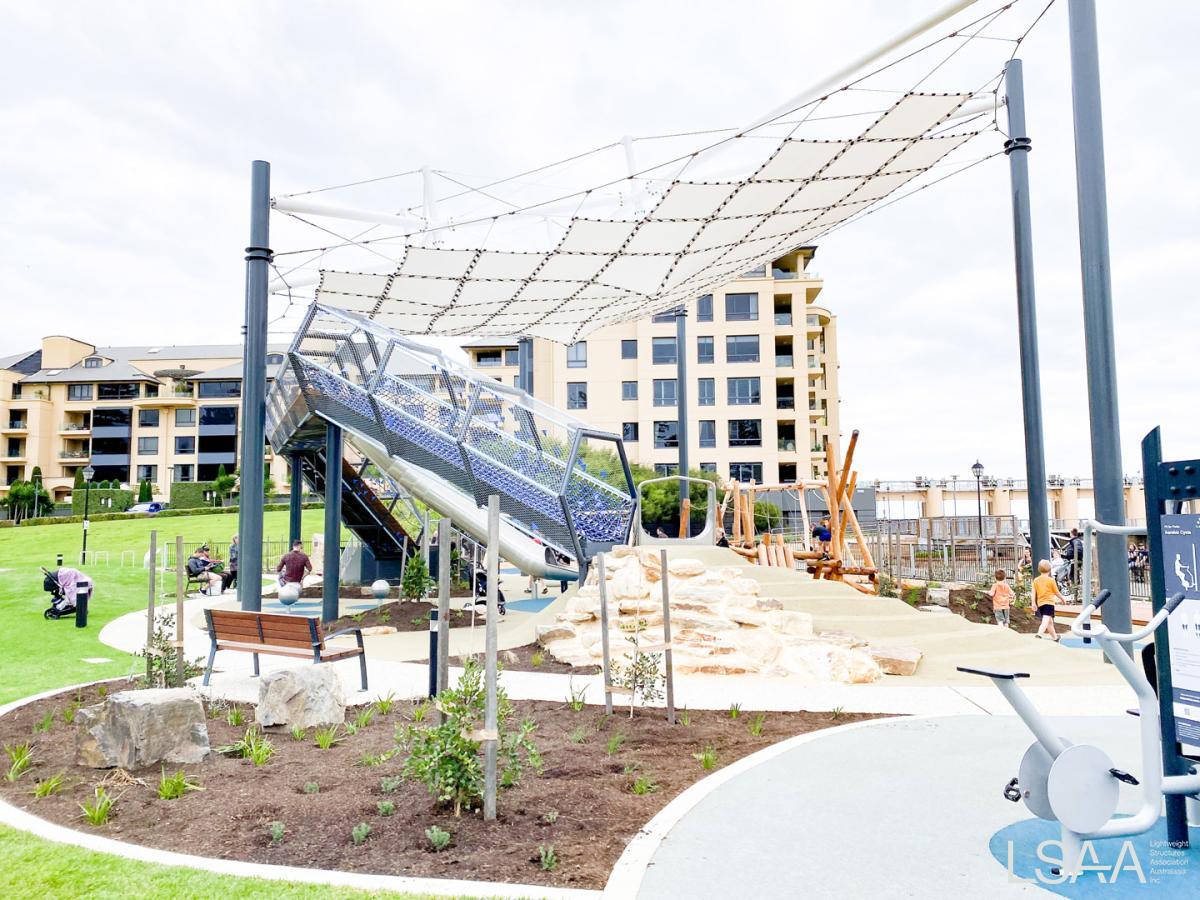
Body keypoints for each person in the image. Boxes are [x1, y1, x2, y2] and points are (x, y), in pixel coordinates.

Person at [1032, 559, 1065, 642]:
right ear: (1050, 569)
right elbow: (1056, 592)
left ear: (1039, 569)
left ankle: (1055, 637)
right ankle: (1039, 634)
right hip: (1049, 603)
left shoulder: (1036, 580)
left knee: (1049, 622)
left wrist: (1033, 603)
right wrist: (1062, 599)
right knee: (1046, 620)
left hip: (1041, 604)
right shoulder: (1051, 580)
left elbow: (1033, 593)